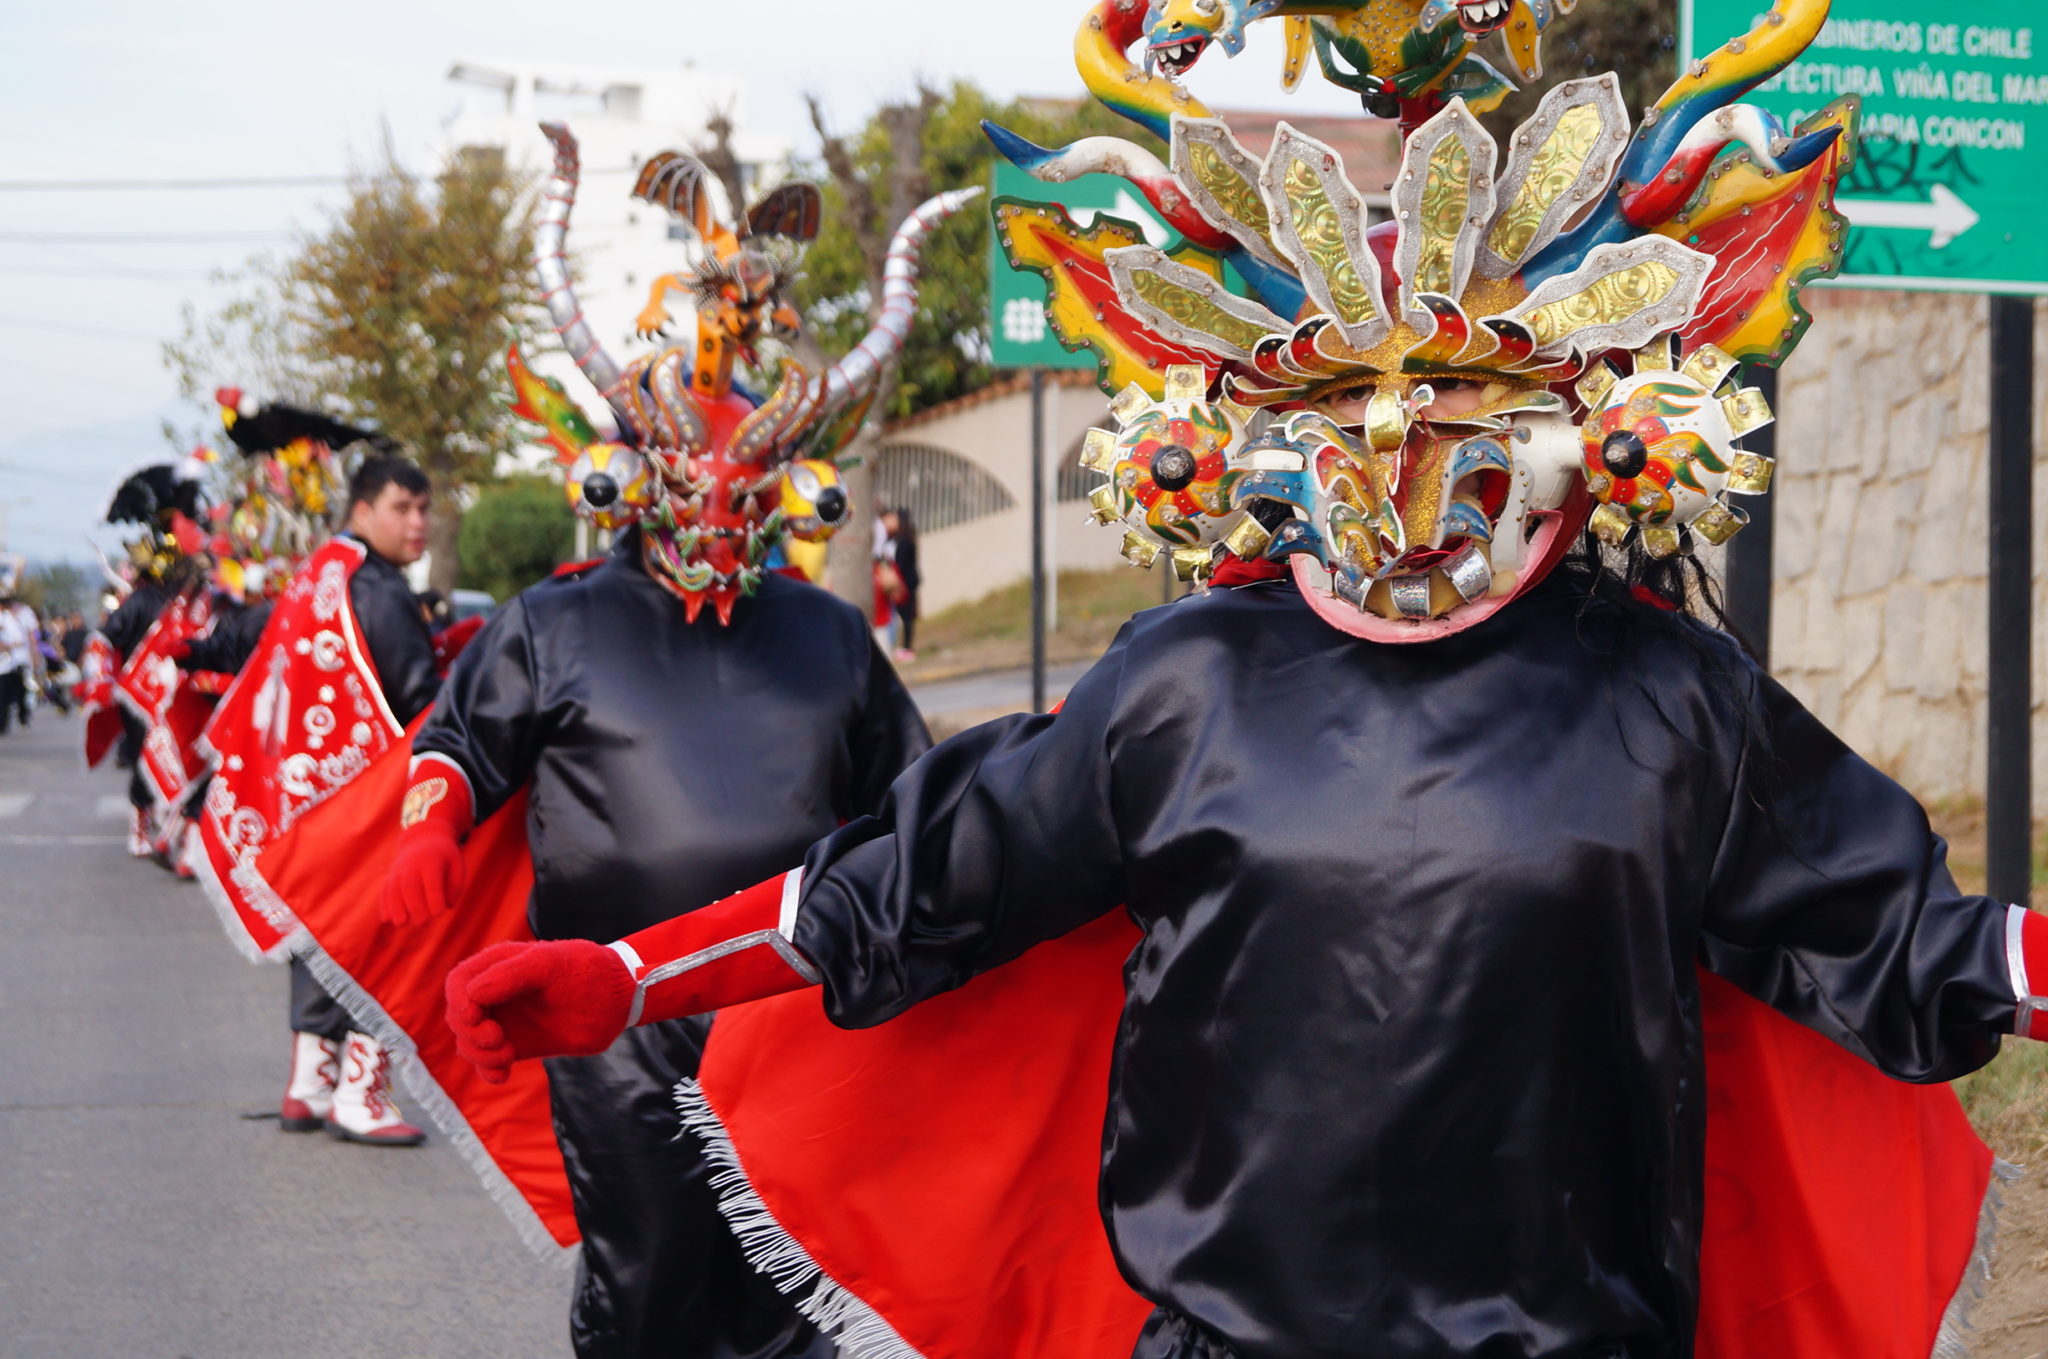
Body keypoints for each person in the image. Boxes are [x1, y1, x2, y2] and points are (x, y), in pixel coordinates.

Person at [440, 11, 2048, 1356]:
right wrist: (633, 977)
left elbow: (1908, 949)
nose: (1413, 458)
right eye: (1362, 409)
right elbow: (907, 891)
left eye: (1467, 407)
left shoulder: (1673, 698)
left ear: (1588, 423)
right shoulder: (1186, 681)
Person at [367, 124, 964, 1359]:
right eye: (692, 488)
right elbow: (463, 744)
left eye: (750, 496)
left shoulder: (830, 635)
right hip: (611, 1014)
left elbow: (911, 809)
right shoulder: (557, 619)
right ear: (634, 482)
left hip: (789, 1006)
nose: (718, 517)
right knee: (647, 1278)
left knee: (794, 1286)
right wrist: (431, 822)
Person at [275, 454, 439, 1147]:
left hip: (308, 790)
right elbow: (422, 703)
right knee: (388, 935)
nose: (418, 522)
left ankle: (309, 1082)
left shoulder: (319, 575)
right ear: (363, 510)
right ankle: (361, 1094)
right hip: (372, 795)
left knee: (318, 928)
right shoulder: (380, 589)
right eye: (404, 507)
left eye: (424, 508)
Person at [882, 507, 920, 663]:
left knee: (907, 616)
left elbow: (902, 563)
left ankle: (907, 647)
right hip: (900, 582)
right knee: (899, 616)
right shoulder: (895, 539)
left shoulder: (906, 540)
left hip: (906, 582)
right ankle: (901, 646)